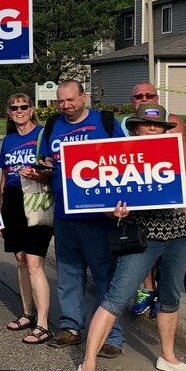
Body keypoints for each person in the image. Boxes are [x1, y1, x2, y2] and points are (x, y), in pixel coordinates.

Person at [76, 104, 186, 371]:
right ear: (135, 128)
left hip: (177, 234)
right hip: (141, 237)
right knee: (116, 297)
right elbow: (105, 202)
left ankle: (168, 357)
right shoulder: (120, 158)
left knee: (170, 298)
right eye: (147, 124)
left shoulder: (172, 157)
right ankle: (87, 365)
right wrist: (113, 213)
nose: (153, 128)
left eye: (159, 125)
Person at [27, 79, 126, 355]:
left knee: (104, 275)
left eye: (71, 100)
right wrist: (41, 170)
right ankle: (70, 327)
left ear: (84, 98)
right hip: (64, 214)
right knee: (69, 274)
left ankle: (111, 335)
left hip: (99, 215)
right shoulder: (52, 126)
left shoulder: (105, 122)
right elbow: (47, 162)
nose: (66, 105)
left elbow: (123, 158)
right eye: (60, 101)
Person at [123, 82, 186, 317]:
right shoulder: (124, 125)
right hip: (138, 201)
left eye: (149, 95)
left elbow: (185, 157)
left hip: (169, 198)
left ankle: (163, 298)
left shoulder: (172, 122)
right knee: (141, 247)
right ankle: (147, 290)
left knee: (169, 253)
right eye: (139, 96)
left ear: (157, 97)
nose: (144, 99)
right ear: (132, 101)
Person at [0, 93, 54, 344]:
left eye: (23, 107)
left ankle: (43, 324)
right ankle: (27, 313)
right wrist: (0, 211)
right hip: (12, 201)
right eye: (14, 108)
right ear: (9, 113)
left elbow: (51, 170)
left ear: (31, 110)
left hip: (36, 199)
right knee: (20, 259)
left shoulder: (42, 135)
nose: (19, 111)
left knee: (33, 262)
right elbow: (4, 176)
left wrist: (37, 174)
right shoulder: (8, 139)